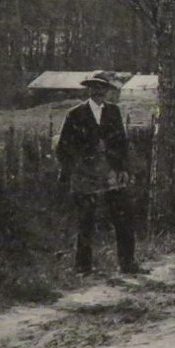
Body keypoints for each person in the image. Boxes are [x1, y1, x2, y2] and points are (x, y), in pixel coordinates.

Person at [56, 72, 142, 275]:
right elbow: (63, 147)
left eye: (102, 87)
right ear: (89, 89)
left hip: (110, 172)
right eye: (94, 87)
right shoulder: (75, 114)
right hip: (85, 174)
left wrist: (122, 169)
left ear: (107, 90)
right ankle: (83, 267)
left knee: (123, 217)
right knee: (86, 219)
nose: (98, 91)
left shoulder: (113, 112)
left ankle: (127, 264)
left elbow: (121, 143)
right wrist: (75, 168)